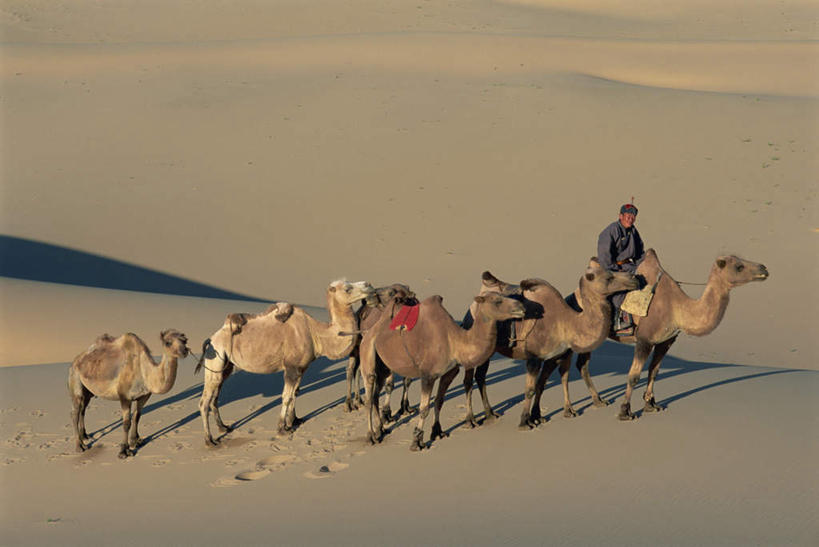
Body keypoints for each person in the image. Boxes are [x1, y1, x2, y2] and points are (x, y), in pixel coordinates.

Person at [597, 203, 645, 334]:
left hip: (629, 267)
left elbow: (640, 253)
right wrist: (616, 270)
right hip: (612, 268)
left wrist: (643, 265)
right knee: (622, 286)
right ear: (621, 216)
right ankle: (616, 321)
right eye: (628, 216)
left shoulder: (633, 231)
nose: (630, 219)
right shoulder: (611, 231)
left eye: (633, 216)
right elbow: (604, 256)